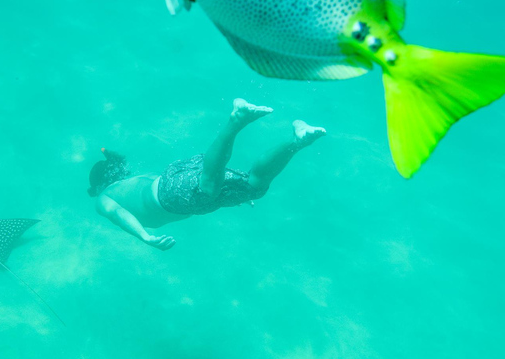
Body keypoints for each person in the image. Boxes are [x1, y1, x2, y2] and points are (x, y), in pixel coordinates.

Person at [88, 99, 326, 250]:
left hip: (171, 195)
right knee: (254, 186)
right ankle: (297, 140)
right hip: (177, 182)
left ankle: (237, 120)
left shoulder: (103, 198)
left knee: (207, 189)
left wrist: (144, 237)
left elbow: (118, 214)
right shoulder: (128, 182)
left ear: (98, 184)